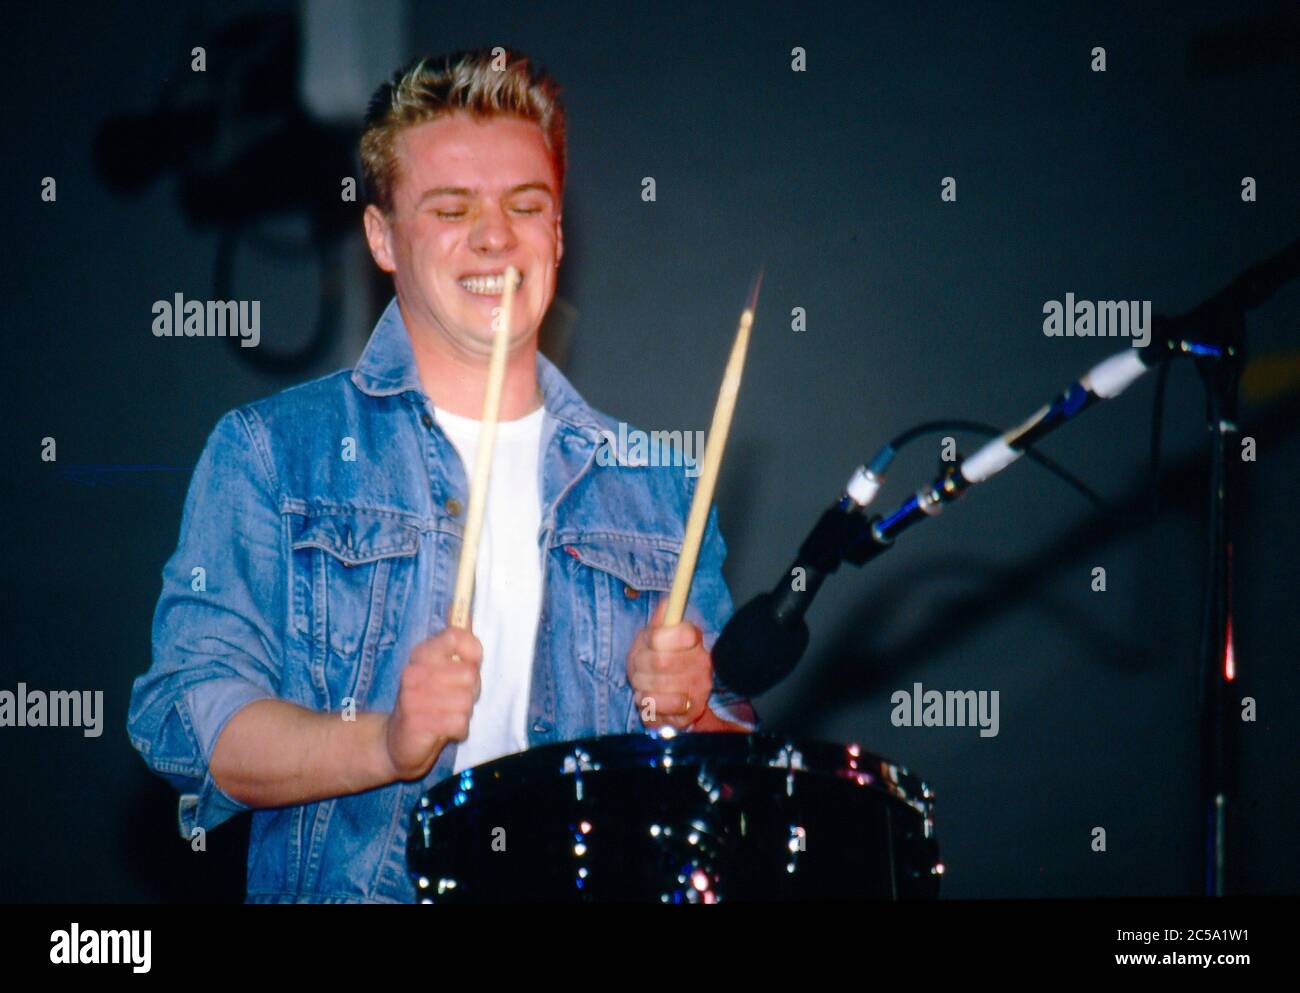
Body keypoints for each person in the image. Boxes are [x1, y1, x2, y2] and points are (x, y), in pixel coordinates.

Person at [127, 48, 756, 904]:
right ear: (382, 236)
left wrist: (691, 714)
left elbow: (731, 790)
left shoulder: (660, 485)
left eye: (525, 206)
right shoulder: (273, 452)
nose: (495, 236)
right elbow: (185, 720)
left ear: (558, 235)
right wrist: (384, 744)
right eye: (452, 208)